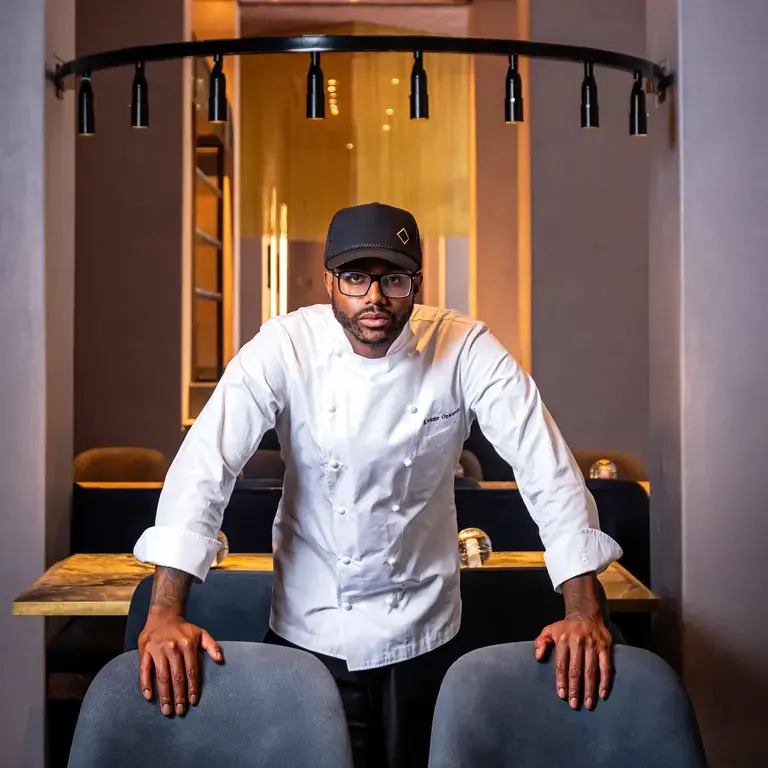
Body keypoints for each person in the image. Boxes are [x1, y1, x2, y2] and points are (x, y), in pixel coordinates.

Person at [134, 202, 623, 768]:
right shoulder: (285, 346)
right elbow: (206, 464)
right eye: (355, 278)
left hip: (426, 630)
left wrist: (583, 609)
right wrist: (164, 610)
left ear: (417, 282)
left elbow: (546, 466)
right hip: (310, 627)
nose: (374, 297)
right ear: (329, 281)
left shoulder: (464, 347)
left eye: (393, 279)